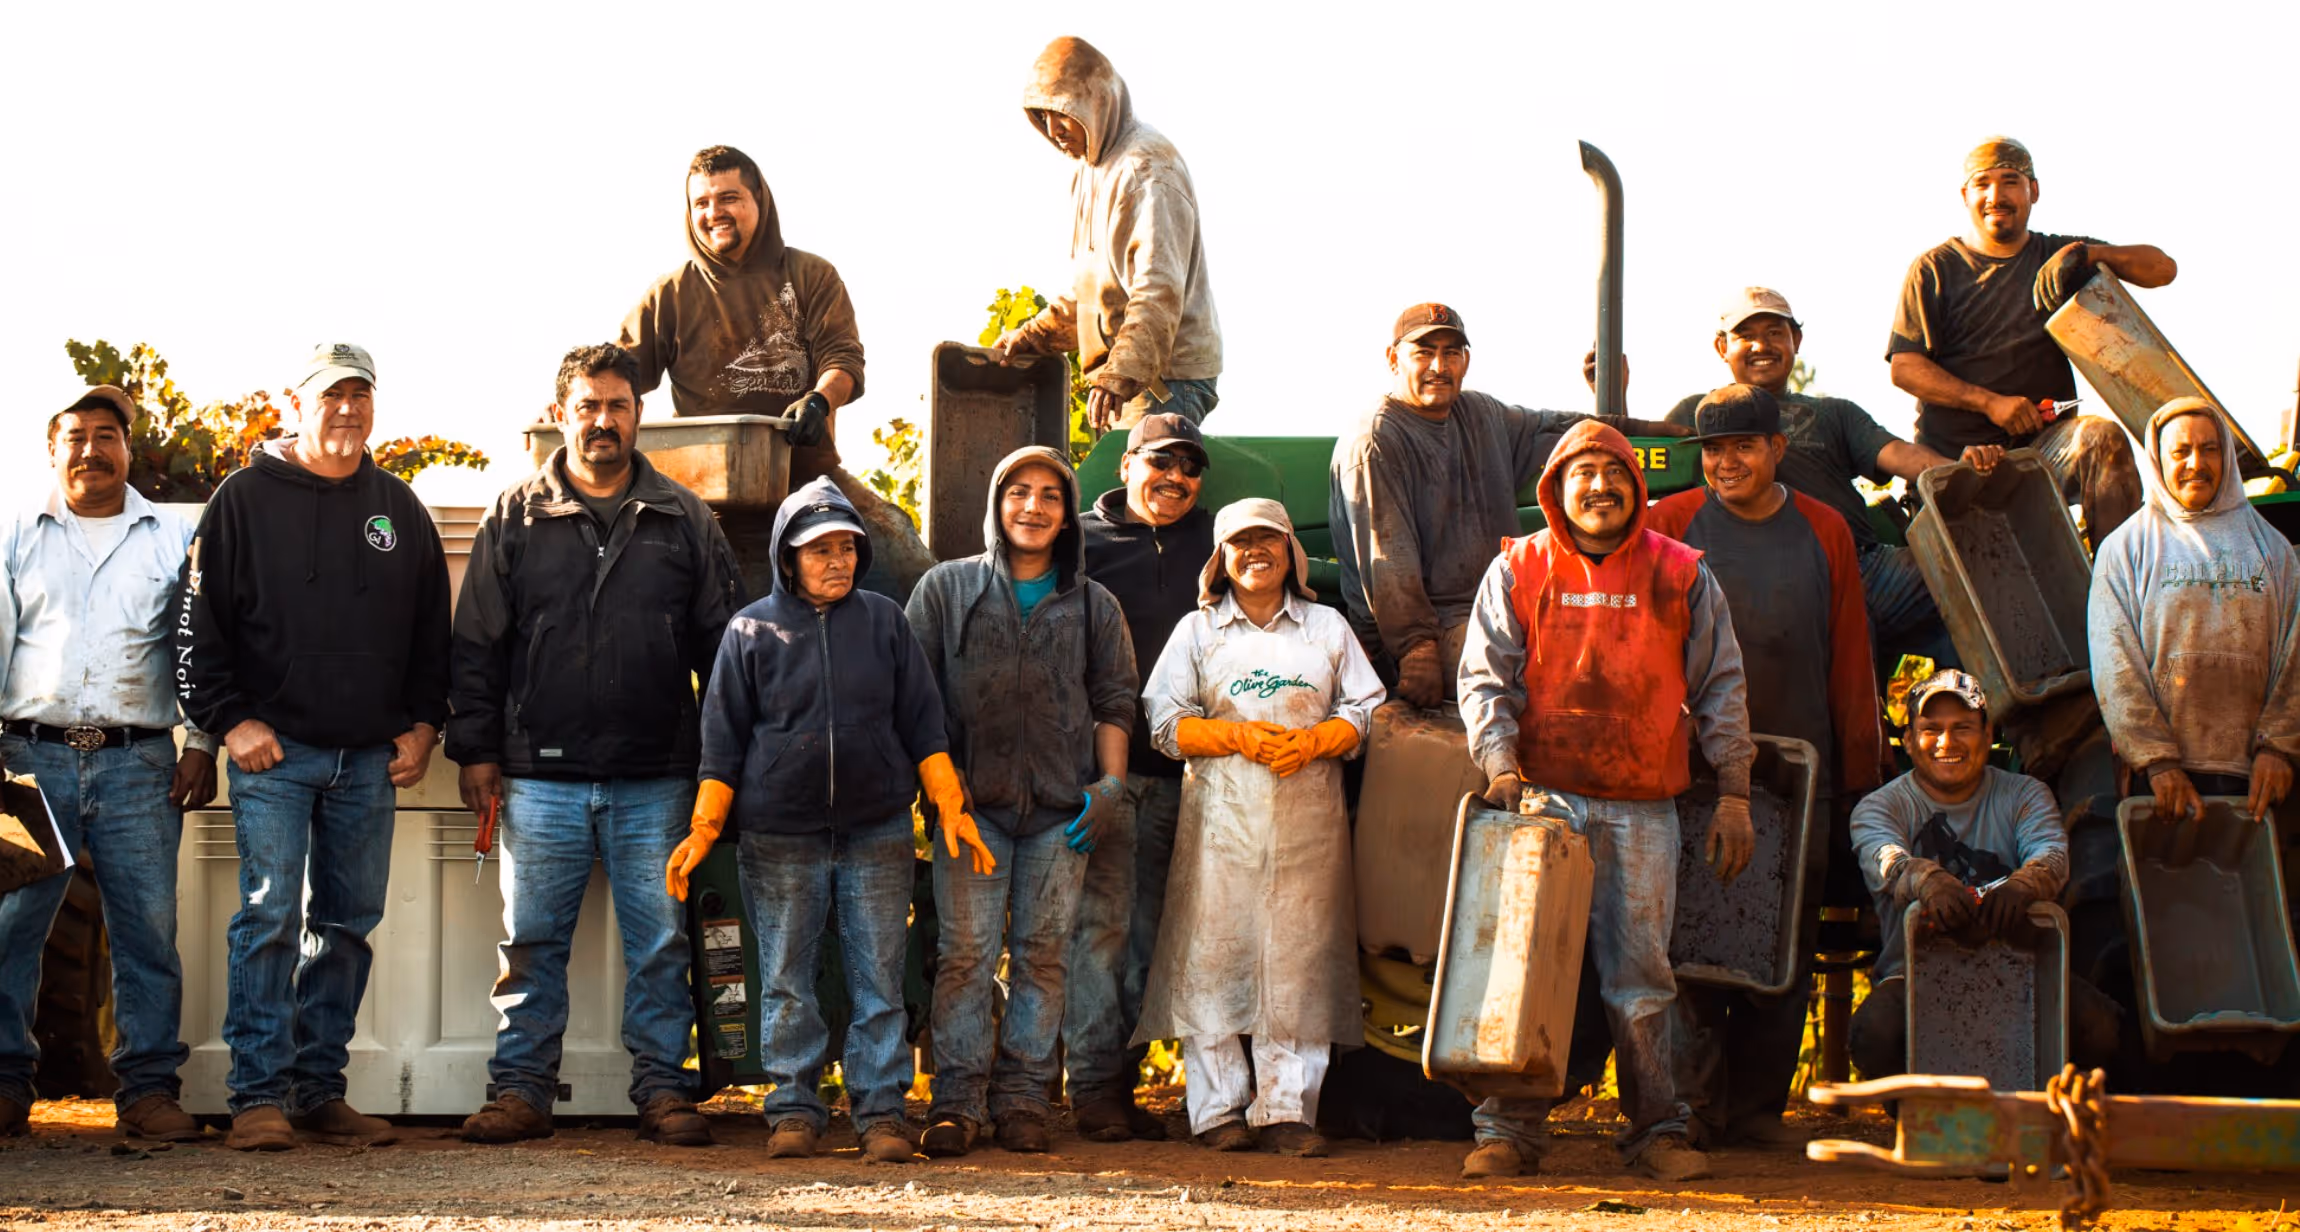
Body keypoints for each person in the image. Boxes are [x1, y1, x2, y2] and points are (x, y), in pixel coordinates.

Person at [447, 344, 743, 1148]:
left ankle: (662, 1091)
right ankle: (520, 1092)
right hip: (539, 776)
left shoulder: (686, 519)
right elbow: (476, 646)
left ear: (638, 415)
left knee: (657, 946)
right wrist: (476, 752)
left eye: (617, 405)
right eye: (587, 406)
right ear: (561, 414)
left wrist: (720, 769)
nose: (602, 420)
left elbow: (724, 658)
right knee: (531, 945)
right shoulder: (515, 515)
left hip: (658, 776)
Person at [1457, 419, 1754, 1183]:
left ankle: (1658, 1130)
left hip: (1643, 805)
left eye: (1615, 473)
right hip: (1542, 802)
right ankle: (1507, 1133)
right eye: (1583, 473)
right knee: (1523, 968)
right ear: (1556, 488)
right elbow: (1485, 679)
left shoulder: (1681, 571)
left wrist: (1734, 793)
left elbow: (1721, 685)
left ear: (1636, 488)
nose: (1600, 487)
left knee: (1641, 975)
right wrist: (1499, 767)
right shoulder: (1519, 567)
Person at [174, 342, 450, 1151]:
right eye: (331, 395)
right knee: (266, 918)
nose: (347, 409)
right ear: (298, 407)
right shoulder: (243, 501)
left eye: (360, 395)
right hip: (275, 754)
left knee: (347, 925)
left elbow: (434, 636)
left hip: (369, 760)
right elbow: (197, 633)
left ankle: (317, 1091)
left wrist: (425, 724)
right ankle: (257, 1096)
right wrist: (231, 721)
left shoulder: (398, 509)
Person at [669, 476, 991, 1164]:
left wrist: (950, 805)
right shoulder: (750, 630)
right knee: (786, 976)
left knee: (878, 976)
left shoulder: (885, 621)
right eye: (820, 549)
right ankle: (793, 1109)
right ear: (788, 557)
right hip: (778, 837)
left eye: (848, 546)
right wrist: (702, 829)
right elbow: (721, 743)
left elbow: (923, 725)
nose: (837, 560)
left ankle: (880, 1115)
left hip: (876, 830)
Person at [1646, 384, 1888, 1149]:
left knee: (1785, 934)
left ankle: (1756, 1111)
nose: (1726, 463)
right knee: (1688, 937)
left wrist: (1858, 775)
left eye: (1743, 446)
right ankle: (1691, 1109)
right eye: (1713, 450)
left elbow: (1850, 654)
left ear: (1777, 449)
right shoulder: (1671, 523)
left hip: (1799, 771)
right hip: (1693, 771)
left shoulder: (1824, 530)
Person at [905, 446, 1137, 1156]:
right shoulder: (945, 590)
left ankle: (1024, 1101)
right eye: (1018, 492)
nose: (1032, 508)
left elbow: (1115, 699)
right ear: (995, 504)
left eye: (1050, 496)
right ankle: (957, 1103)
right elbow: (916, 703)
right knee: (965, 956)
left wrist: (1110, 786)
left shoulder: (1094, 604)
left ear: (1069, 515)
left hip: (1062, 816)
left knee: (1042, 957)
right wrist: (941, 795)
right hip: (970, 813)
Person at [1135, 498, 1385, 1157]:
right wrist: (1235, 736)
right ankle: (1217, 1112)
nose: (1255, 552)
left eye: (1268, 539)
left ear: (1290, 553)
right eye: (1240, 541)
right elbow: (1164, 723)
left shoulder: (1326, 628)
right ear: (1219, 559)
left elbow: (1366, 708)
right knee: (1212, 956)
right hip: (1220, 821)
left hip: (1309, 821)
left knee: (1299, 957)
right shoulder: (1197, 632)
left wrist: (1317, 741)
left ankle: (1285, 1113)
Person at [0, 387, 217, 1142]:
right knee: (11, 925)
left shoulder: (172, 537)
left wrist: (200, 743)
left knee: (148, 931)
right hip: (28, 760)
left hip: (139, 764)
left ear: (129, 447)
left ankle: (149, 1090)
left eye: (106, 435)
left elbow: (196, 649)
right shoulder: (16, 533)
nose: (91, 450)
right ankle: (4, 1085)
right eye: (75, 437)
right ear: (52, 448)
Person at [617, 144, 931, 595]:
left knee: (907, 562)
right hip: (711, 500)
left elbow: (843, 358)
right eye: (701, 202)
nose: (714, 212)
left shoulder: (811, 274)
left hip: (808, 482)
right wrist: (565, 408)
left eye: (728, 198)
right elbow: (618, 374)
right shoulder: (668, 295)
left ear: (758, 201)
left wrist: (820, 400)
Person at [1332, 304, 1682, 706]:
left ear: (1466, 359)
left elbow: (1560, 428)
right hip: (1435, 624)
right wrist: (1416, 649)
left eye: (1451, 353)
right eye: (1424, 353)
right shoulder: (1377, 439)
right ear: (1394, 359)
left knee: (1622, 648)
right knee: (1555, 678)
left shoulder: (1481, 414)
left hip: (1508, 604)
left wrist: (1644, 430)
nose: (1439, 366)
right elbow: (1389, 560)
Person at [1666, 288, 2002, 655]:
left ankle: (1958, 705)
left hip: (1863, 568)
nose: (1761, 346)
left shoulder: (1835, 414)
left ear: (1796, 340)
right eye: (1746, 335)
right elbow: (1642, 464)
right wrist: (1611, 394)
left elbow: (1903, 456)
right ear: (1722, 348)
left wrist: (1964, 469)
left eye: (1775, 333)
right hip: (1758, 578)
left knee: (1974, 567)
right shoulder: (1700, 413)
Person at [1886, 136, 2176, 544]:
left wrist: (2086, 253)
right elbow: (1905, 368)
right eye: (1983, 184)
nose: (1996, 196)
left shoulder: (2059, 256)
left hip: (2041, 457)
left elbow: (2162, 269)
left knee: (2102, 440)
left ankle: (2121, 589)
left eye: (2010, 181)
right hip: (1958, 466)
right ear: (1965, 195)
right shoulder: (1934, 269)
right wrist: (1990, 403)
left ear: (2033, 191)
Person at [1064, 412, 1216, 1143]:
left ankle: (1126, 1083)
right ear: (1126, 466)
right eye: (1162, 463)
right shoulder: (1080, 548)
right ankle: (1094, 1087)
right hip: (1109, 775)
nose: (1176, 479)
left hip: (1201, 777)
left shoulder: (1220, 541)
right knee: (1102, 932)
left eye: (1190, 468)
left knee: (1161, 938)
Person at [1847, 669, 2117, 1077]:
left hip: (2020, 971)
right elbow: (1885, 858)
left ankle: (2058, 1119)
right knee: (1873, 1033)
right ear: (1907, 740)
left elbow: (2052, 853)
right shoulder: (1880, 808)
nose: (1947, 742)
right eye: (1931, 729)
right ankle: (1921, 1122)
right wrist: (1926, 879)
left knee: (2105, 1032)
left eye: (1963, 728)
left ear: (1988, 734)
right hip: (1916, 980)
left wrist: (2026, 883)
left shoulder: (2025, 794)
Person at [993, 36, 1222, 434]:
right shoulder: (1090, 172)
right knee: (1110, 491)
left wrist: (1120, 373)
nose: (1053, 128)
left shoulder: (1146, 168)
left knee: (1139, 488)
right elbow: (1093, 297)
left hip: (1165, 378)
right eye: (1042, 116)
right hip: (1127, 378)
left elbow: (1158, 290)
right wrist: (1032, 335)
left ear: (1096, 101)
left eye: (1061, 112)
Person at [2089, 397, 2298, 826]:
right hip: (2162, 779)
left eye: (2210, 449)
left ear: (2226, 456)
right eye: (2180, 452)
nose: (2196, 463)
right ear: (2159, 461)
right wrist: (2157, 759)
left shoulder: (2273, 549)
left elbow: (2296, 655)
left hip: (2257, 775)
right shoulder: (2125, 548)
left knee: (2252, 889)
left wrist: (2278, 747)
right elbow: (2115, 662)